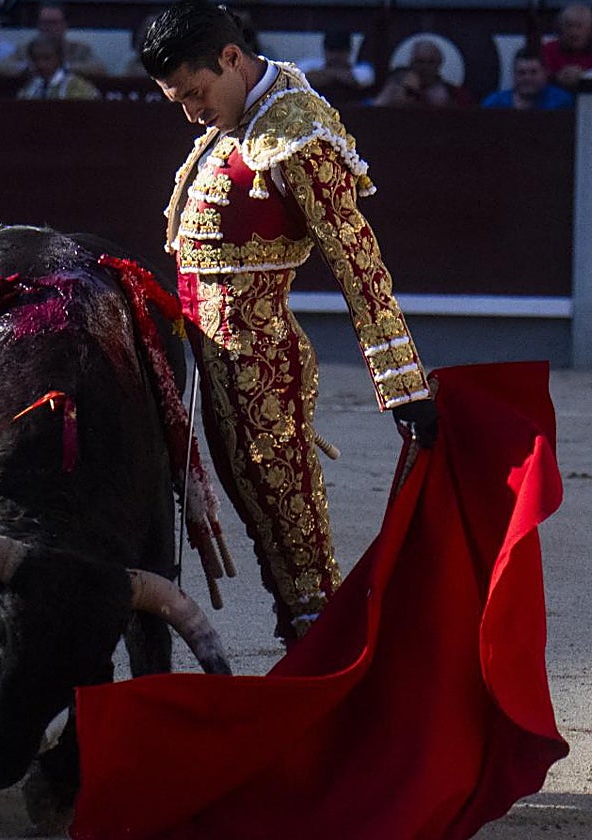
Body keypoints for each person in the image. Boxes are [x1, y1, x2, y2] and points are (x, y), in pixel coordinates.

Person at [140, 0, 438, 643]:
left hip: (260, 376)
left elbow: (358, 262)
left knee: (294, 547)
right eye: (180, 103)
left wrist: (405, 385)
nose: (193, 113)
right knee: (265, 529)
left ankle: (327, 664)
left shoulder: (296, 132)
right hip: (208, 367)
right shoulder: (236, 118)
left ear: (230, 59)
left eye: (196, 94)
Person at [373, 38, 470, 108]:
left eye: (431, 62)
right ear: (411, 63)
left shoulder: (454, 93)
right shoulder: (394, 86)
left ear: (439, 64)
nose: (425, 67)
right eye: (420, 61)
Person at [541, 2, 592, 90]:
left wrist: (586, 76)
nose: (574, 32)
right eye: (569, 26)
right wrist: (556, 77)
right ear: (560, 28)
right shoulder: (547, 50)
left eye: (579, 26)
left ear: (590, 29)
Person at [295, 29, 373, 105]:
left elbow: (358, 80)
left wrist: (326, 74)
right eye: (331, 50)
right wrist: (336, 74)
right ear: (325, 49)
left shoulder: (363, 69)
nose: (335, 56)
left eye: (340, 51)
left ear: (349, 51)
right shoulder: (309, 64)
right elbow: (300, 78)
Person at [482, 47, 573, 110]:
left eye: (533, 72)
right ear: (514, 75)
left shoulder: (561, 101)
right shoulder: (495, 103)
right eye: (522, 73)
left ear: (545, 74)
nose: (527, 78)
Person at [17, 32, 97, 99]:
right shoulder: (30, 87)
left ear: (59, 59)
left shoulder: (78, 87)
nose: (40, 64)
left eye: (46, 58)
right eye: (35, 59)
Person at [34, 1, 104, 77]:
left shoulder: (81, 49)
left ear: (64, 25)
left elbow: (99, 68)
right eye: (44, 23)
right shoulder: (24, 50)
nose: (48, 27)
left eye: (53, 23)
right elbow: (19, 66)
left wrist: (63, 67)